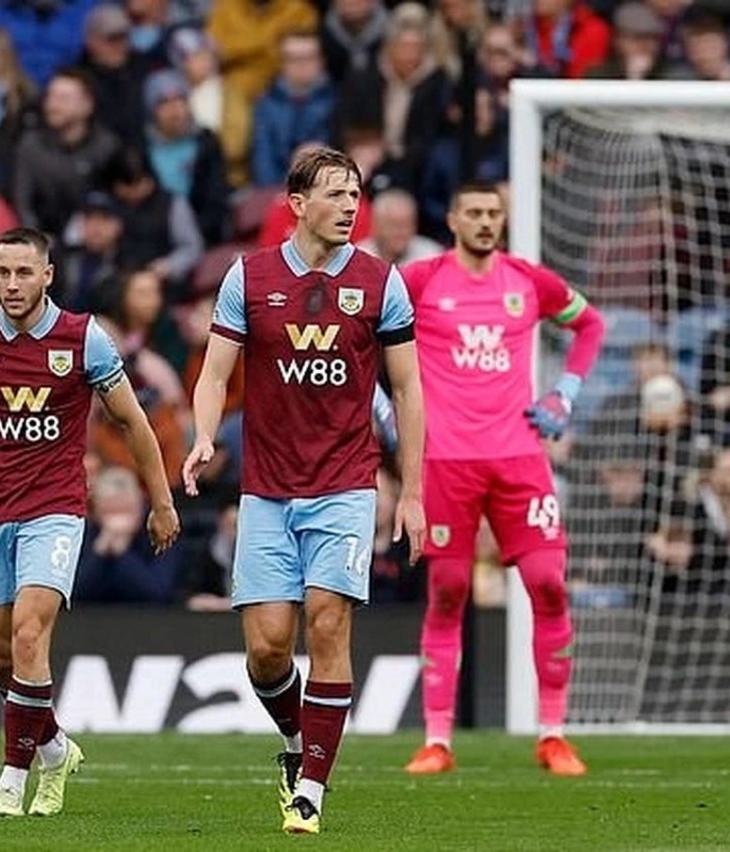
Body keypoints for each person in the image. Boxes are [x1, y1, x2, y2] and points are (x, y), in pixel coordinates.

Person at [182, 146, 425, 835]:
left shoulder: (381, 282)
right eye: (336, 194)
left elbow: (406, 389)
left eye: (356, 195)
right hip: (266, 489)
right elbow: (213, 373)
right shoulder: (249, 277)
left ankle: (312, 790)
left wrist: (410, 488)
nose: (351, 206)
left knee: (326, 620)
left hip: (347, 483)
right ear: (296, 203)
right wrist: (204, 436)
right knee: (265, 649)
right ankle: (297, 743)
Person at [0, 227, 180, 819]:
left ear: (48, 275)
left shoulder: (84, 339)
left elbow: (133, 422)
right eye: (2, 272)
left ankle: (13, 779)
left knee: (31, 635)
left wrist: (161, 501)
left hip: (55, 508)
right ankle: (54, 747)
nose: (10, 284)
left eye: (23, 272)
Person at [398, 183, 606, 777]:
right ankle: (437, 740)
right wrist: (386, 406)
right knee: (448, 592)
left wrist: (565, 394)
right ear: (453, 218)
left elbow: (590, 326)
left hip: (519, 458)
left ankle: (553, 735)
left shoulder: (528, 281)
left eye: (494, 214)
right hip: (446, 461)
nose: (486, 223)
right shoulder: (421, 281)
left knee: (549, 584)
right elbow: (368, 333)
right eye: (476, 214)